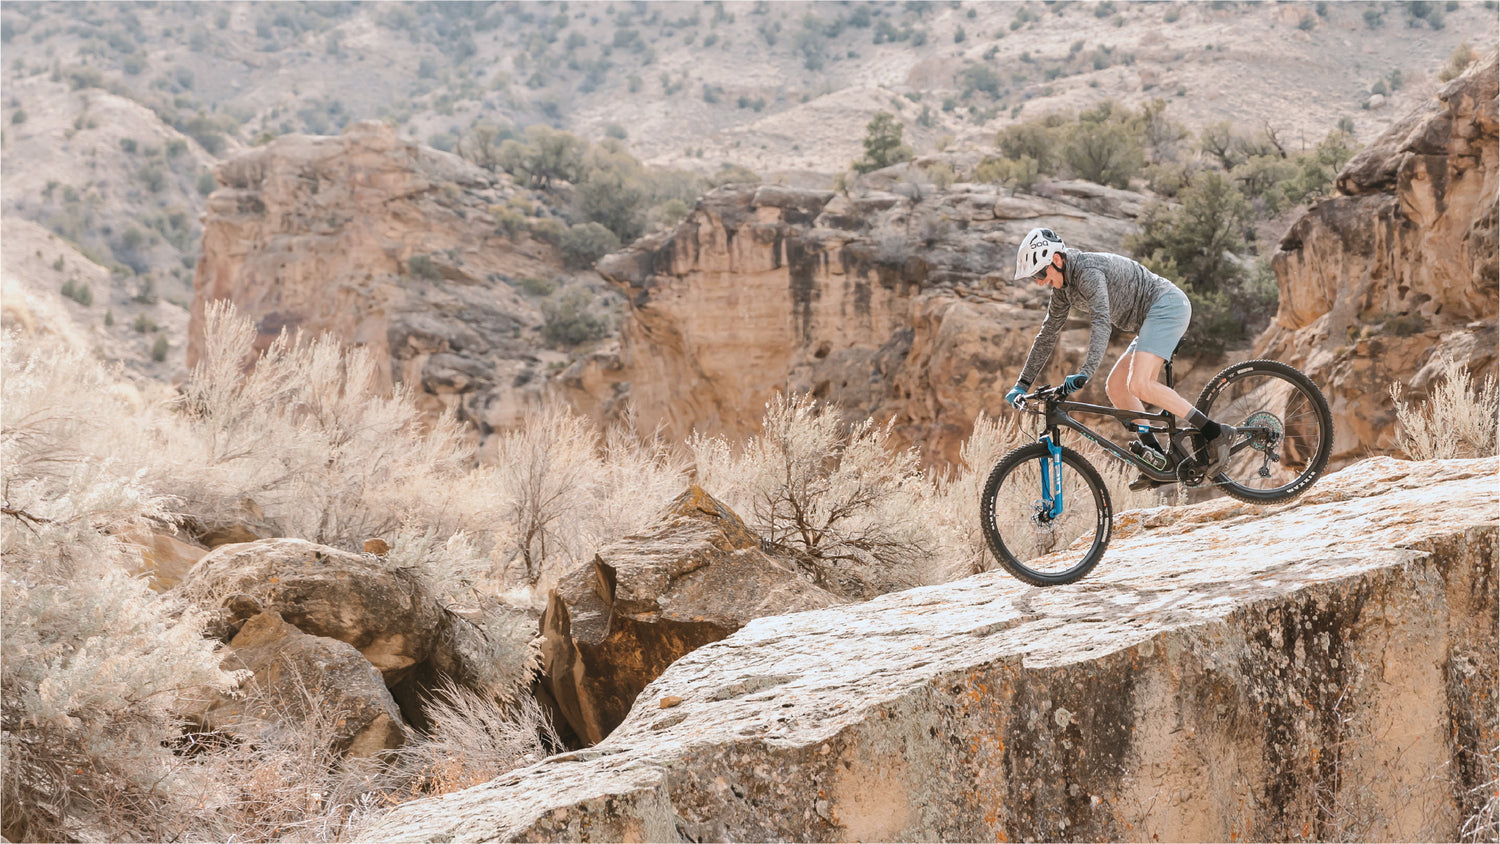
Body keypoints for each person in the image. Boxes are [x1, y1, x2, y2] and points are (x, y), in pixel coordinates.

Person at [1002, 227, 1235, 487]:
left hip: (1166, 306)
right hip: (1148, 321)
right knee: (1116, 387)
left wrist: (1086, 371)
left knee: (1140, 384)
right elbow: (1047, 334)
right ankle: (1156, 458)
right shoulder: (1062, 290)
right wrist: (1022, 383)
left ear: (1057, 260)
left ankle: (1214, 432)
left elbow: (1102, 321)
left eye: (1041, 273)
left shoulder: (1087, 272)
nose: (1040, 282)